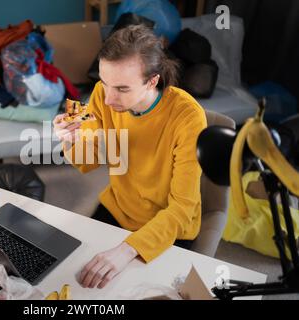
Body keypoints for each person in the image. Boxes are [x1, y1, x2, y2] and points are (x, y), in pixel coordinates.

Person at [53, 24, 207, 289]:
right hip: (118, 207)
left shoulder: (189, 118)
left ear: (152, 80)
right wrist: (71, 139)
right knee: (73, 279)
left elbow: (182, 209)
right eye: (104, 82)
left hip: (167, 224)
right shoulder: (103, 95)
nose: (109, 98)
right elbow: (87, 162)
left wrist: (127, 250)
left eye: (122, 89)